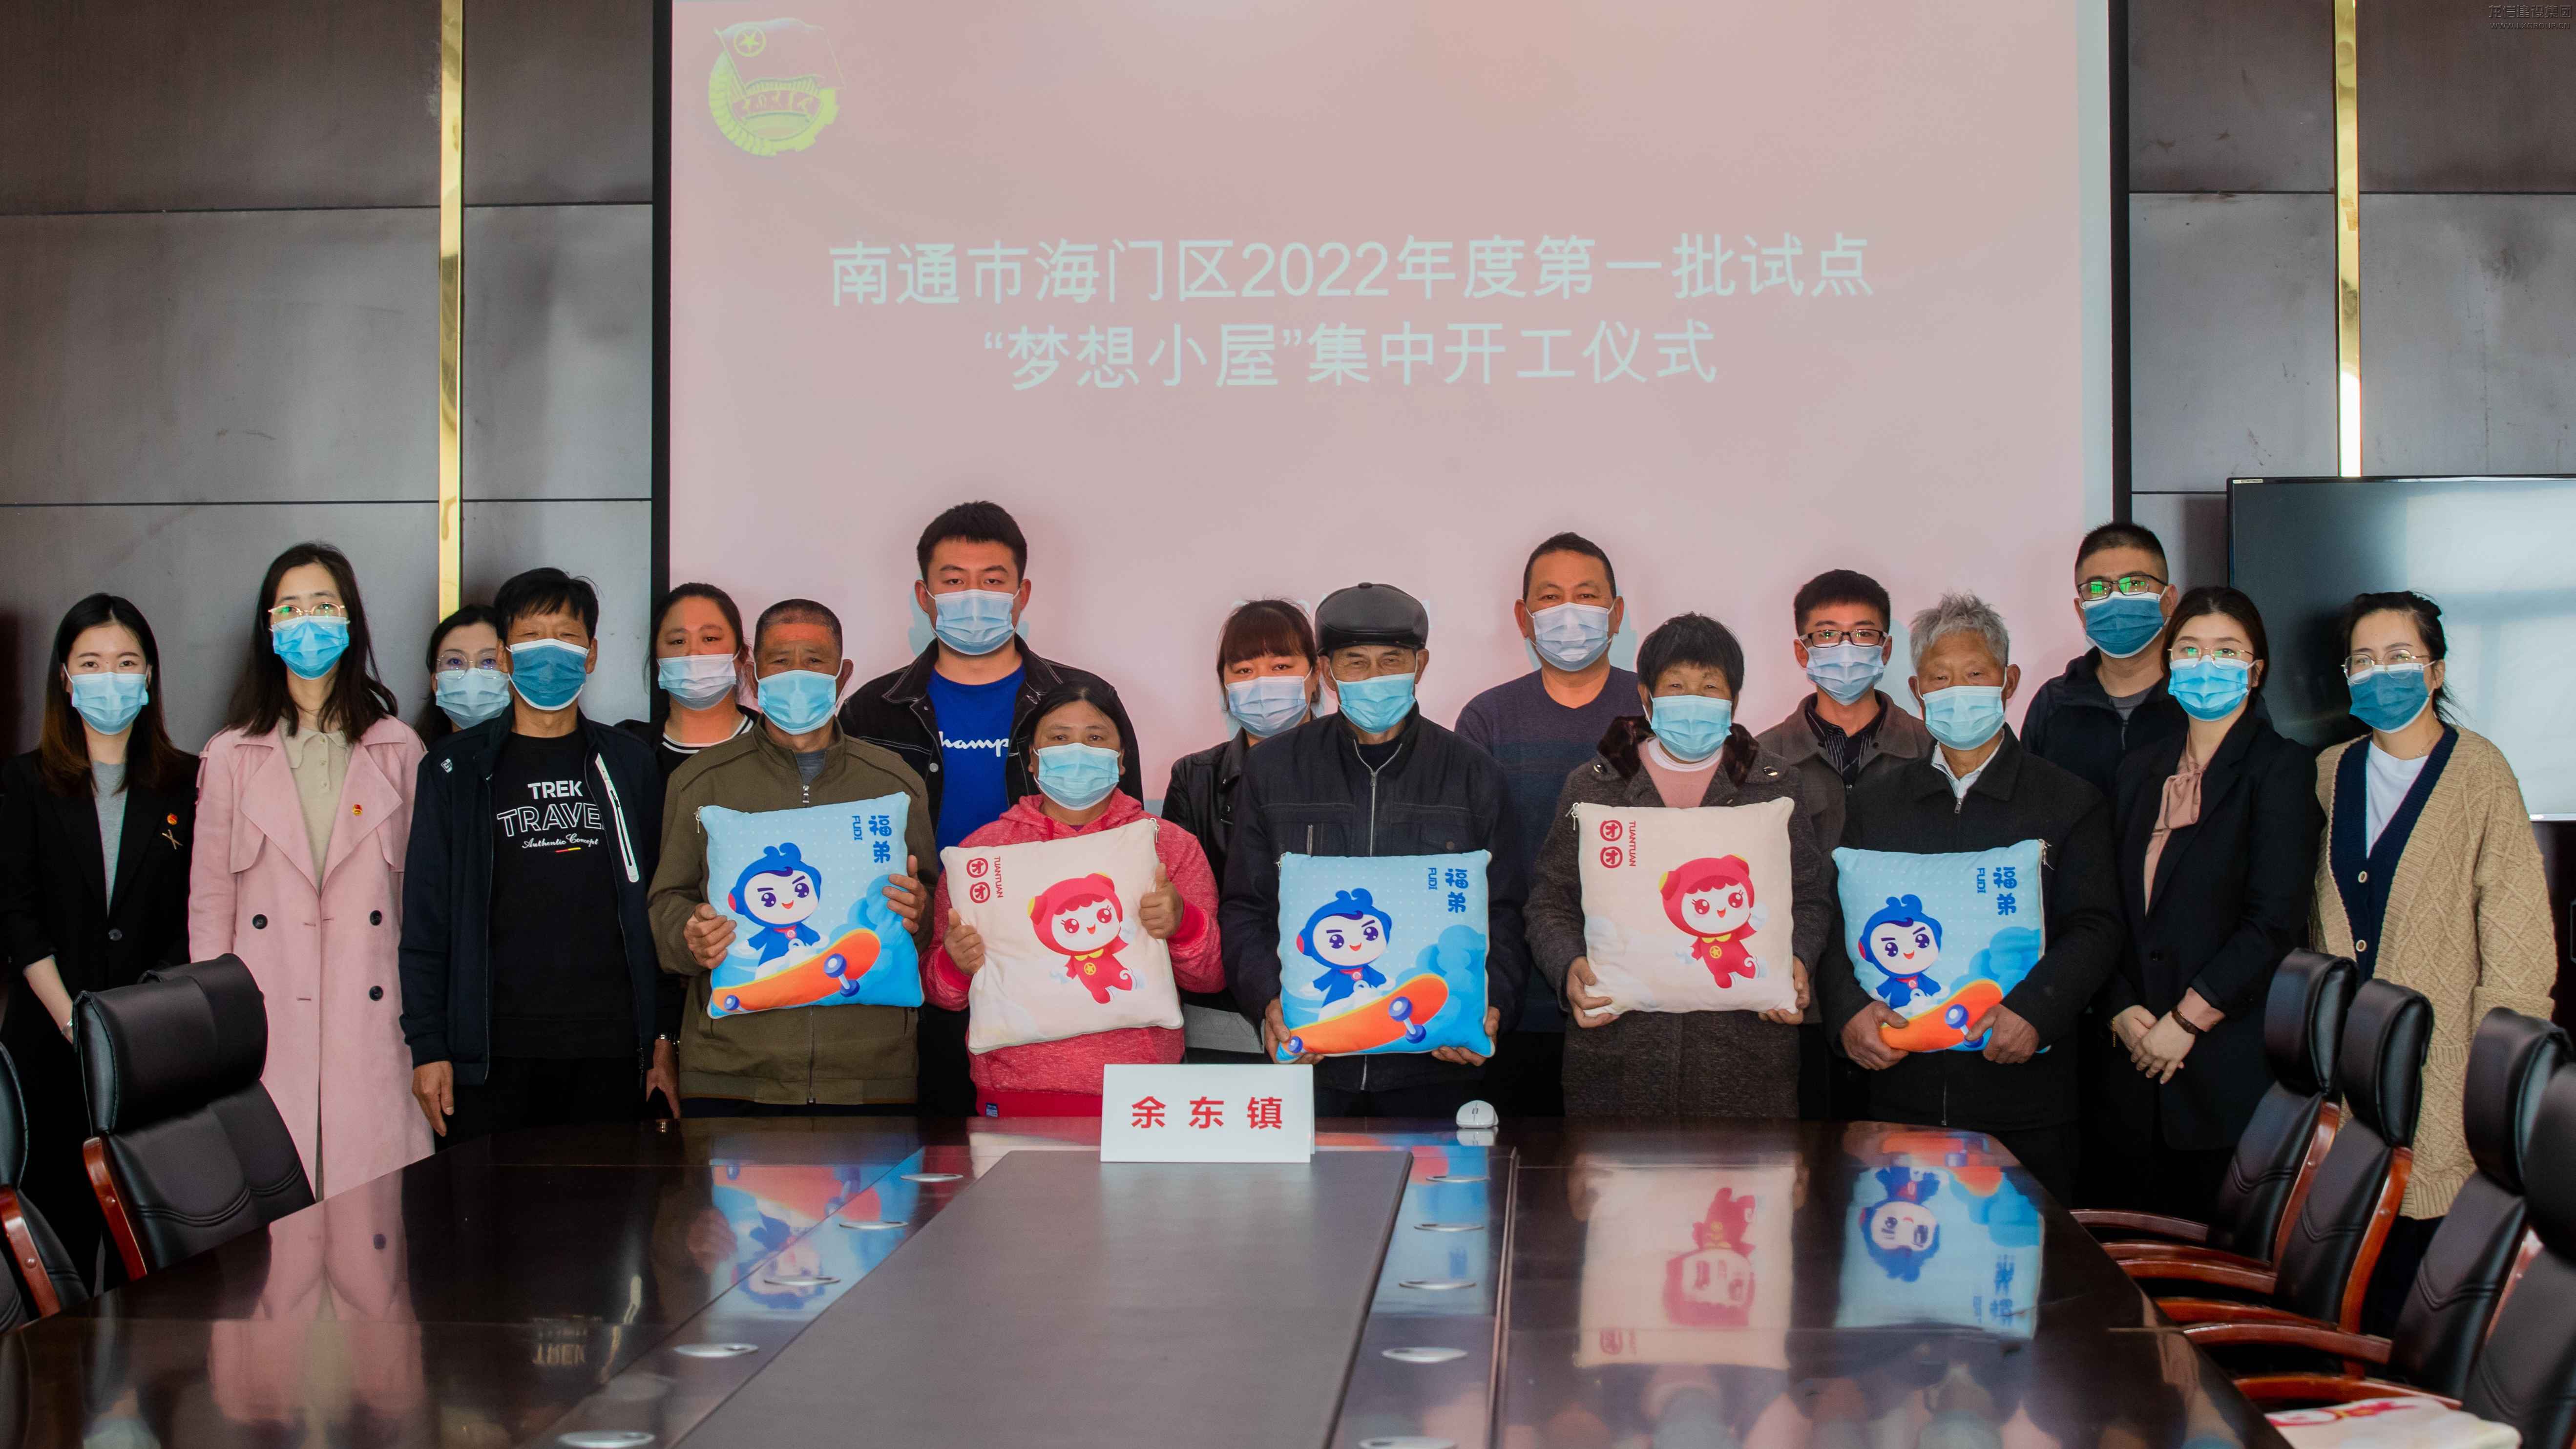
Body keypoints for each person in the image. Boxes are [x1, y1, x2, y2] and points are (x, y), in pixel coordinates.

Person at [1820, 593, 2122, 1205]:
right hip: (1899, 1097)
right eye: (1940, 677)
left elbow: (2096, 926)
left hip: (2026, 1097)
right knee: (1904, 1250)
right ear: (1916, 690)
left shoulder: (2067, 801)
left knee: (2028, 1254)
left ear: (2008, 681)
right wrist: (1848, 1012)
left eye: (1976, 673)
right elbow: (1833, 924)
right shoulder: (1878, 803)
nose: (1957, 691)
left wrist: (2035, 1012)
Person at [838, 501, 1138, 1114]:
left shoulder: (1081, 702)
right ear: (924, 596)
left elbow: (1126, 827)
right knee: (939, 1148)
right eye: (954, 581)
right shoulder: (874, 710)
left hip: (1057, 962)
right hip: (925, 966)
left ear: (1021, 594)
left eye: (992, 581)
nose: (973, 597)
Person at [2311, 590, 2556, 1334]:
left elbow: (2517, 943)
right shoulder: (2329, 771)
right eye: (2362, 661)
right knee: (2344, 1276)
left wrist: (2493, 1076)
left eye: (2399, 657)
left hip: (2445, 1075)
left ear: (2435, 669)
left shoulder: (2479, 772)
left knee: (2421, 1289)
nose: (2379, 673)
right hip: (2348, 1072)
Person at [398, 568, 682, 1147]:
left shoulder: (630, 763)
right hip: (490, 1054)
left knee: (611, 1202)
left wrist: (663, 1036)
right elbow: (426, 920)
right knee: (487, 1205)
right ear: (505, 656)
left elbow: (661, 904)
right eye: (530, 638)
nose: (549, 653)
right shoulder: (454, 769)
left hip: (610, 1051)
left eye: (566, 637)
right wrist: (428, 1047)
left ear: (592, 654)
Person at [1221, 582, 1526, 1117]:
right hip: (1314, 1068)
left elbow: (1505, 911)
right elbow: (1246, 907)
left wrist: (1492, 1003)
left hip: (1433, 1065)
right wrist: (1268, 1000)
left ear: (1420, 664)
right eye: (1355, 662)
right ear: (1327, 671)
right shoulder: (1273, 770)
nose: (1374, 677)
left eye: (1392, 661)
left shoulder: (1474, 774)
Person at [190, 542, 428, 1195]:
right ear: (269, 628)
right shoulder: (231, 755)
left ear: (349, 620)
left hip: (376, 1025)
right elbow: (210, 911)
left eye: (323, 604)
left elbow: (420, 908)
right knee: (273, 1226)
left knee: (377, 1226)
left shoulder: (398, 748)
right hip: (268, 1028)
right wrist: (216, 1034)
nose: (308, 621)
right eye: (290, 608)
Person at [1524, 613, 1830, 1116]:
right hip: (1618, 1056)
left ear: (1733, 699)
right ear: (1646, 696)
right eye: (1676, 686)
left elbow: (1810, 896)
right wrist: (1568, 965)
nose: (1693, 700)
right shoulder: (1595, 784)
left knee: (1748, 1171)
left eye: (1710, 687)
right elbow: (1550, 899)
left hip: (1745, 1058)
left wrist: (1797, 960)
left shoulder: (1774, 783)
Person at [656, 598, 937, 1115]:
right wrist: (689, 934)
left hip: (871, 1072)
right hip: (732, 1073)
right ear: (753, 673)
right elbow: (666, 901)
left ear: (842, 674)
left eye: (814, 660)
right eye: (780, 661)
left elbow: (931, 904)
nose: (797, 675)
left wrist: (921, 911)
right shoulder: (700, 782)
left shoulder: (893, 781)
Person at [2095, 587, 2319, 1224]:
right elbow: (2104, 904)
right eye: (2189, 650)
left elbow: (2271, 923)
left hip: (2223, 1071)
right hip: (2130, 1063)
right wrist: (2119, 1008)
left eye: (2225, 651)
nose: (2205, 664)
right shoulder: (2138, 769)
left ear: (2255, 670)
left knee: (2215, 1258)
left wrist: (2185, 1022)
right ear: (2168, 665)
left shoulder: (2279, 768)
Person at [0, 595, 197, 1282]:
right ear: (64, 677)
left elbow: (195, 915)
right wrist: (74, 1020)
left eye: (125, 661)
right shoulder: (22, 782)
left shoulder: (189, 780)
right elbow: (17, 916)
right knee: (56, 1245)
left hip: (151, 1049)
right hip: (50, 1042)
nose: (108, 678)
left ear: (149, 675)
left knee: (152, 1253)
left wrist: (133, 1021)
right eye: (90, 663)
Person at [925, 680, 1224, 1114]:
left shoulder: (1170, 845)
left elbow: (1210, 977)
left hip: (1144, 1096)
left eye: (1096, 737)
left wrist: (1183, 924)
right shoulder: (982, 855)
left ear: (1121, 758)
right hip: (1014, 1092)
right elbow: (941, 993)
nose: (1078, 751)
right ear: (1032, 757)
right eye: (1059, 737)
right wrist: (955, 962)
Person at [1455, 532, 1640, 1119]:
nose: (1569, 613)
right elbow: (1469, 864)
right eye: (1550, 597)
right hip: (1512, 1003)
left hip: (1638, 996)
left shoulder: (1657, 710)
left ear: (1616, 613)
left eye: (1586, 596)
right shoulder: (1486, 719)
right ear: (1523, 617)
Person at [1753, 568, 1933, 1119]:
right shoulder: (1761, 760)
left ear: (1886, 648)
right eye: (1827, 634)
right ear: (1801, 650)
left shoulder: (1930, 749)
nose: (1845, 649)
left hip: (1910, 1001)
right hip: (1799, 1008)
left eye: (1863, 633)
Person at [1161, 599, 1318, 1064]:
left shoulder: (1353, 769)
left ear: (1316, 676)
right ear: (1225, 687)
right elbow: (1186, 907)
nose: (1262, 682)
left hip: (1340, 993)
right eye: (1244, 670)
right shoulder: (1194, 777)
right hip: (1223, 1016)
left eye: (1281, 666)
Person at [2020, 523, 2188, 800]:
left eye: (2135, 584)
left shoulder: (2200, 695)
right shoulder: (2053, 704)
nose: (2116, 599)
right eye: (2097, 588)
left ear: (2169, 599)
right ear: (2081, 611)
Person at [620, 583, 758, 779]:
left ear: (741, 655)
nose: (693, 653)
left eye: (710, 639)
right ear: (658, 661)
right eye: (678, 641)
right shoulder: (625, 750)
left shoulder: (778, 745)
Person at [413, 604, 506, 745]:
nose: (472, 677)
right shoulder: (414, 754)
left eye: (489, 661)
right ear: (435, 683)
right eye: (455, 662)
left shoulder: (536, 756)